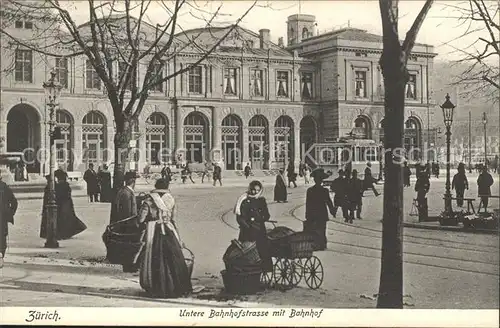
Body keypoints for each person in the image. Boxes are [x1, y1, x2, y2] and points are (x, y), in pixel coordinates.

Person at [138, 178, 192, 298]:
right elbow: (174, 219)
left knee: (153, 258)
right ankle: (176, 287)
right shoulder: (171, 199)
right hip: (169, 229)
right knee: (174, 257)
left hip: (154, 230)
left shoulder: (149, 200)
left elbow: (140, 219)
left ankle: (157, 287)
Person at [234, 180, 272, 271]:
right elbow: (240, 218)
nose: (254, 192)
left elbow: (266, 215)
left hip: (260, 230)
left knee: (263, 250)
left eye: (257, 190)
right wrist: (248, 227)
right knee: (246, 252)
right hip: (247, 231)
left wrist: (257, 219)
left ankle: (265, 269)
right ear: (249, 189)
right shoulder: (243, 200)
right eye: (253, 189)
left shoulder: (261, 200)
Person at [42, 170, 87, 240]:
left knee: (64, 220)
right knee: (67, 220)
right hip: (65, 205)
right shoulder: (62, 185)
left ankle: (62, 233)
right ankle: (64, 233)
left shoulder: (60, 185)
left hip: (63, 205)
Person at [111, 171, 139, 272]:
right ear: (133, 181)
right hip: (128, 225)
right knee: (129, 246)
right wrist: (134, 224)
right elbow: (128, 212)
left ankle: (129, 265)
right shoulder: (127, 193)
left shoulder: (123, 191)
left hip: (124, 224)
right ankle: (129, 266)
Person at [304, 168, 334, 250]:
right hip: (322, 213)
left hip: (313, 213)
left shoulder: (310, 191)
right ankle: (322, 244)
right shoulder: (324, 191)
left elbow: (308, 204)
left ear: (314, 180)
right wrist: (332, 211)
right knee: (322, 229)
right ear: (321, 180)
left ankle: (315, 244)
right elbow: (329, 202)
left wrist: (307, 215)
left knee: (314, 229)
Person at [0, 172, 18, 268]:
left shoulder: (4, 187)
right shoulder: (5, 187)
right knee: (2, 238)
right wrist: (10, 213)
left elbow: (14, 202)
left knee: (2, 237)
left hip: (2, 218)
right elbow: (14, 202)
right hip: (3, 218)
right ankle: (1, 256)